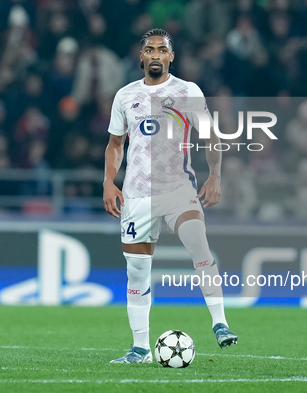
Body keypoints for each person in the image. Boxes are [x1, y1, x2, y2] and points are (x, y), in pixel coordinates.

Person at [103, 29, 237, 365]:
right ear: (142, 56)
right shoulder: (125, 96)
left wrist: (216, 176)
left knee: (197, 241)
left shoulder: (187, 91)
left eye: (162, 50)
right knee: (137, 271)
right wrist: (108, 182)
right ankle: (140, 349)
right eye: (149, 50)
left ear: (171, 57)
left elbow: (210, 136)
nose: (156, 55)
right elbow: (116, 145)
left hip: (178, 188)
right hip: (136, 195)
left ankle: (220, 323)